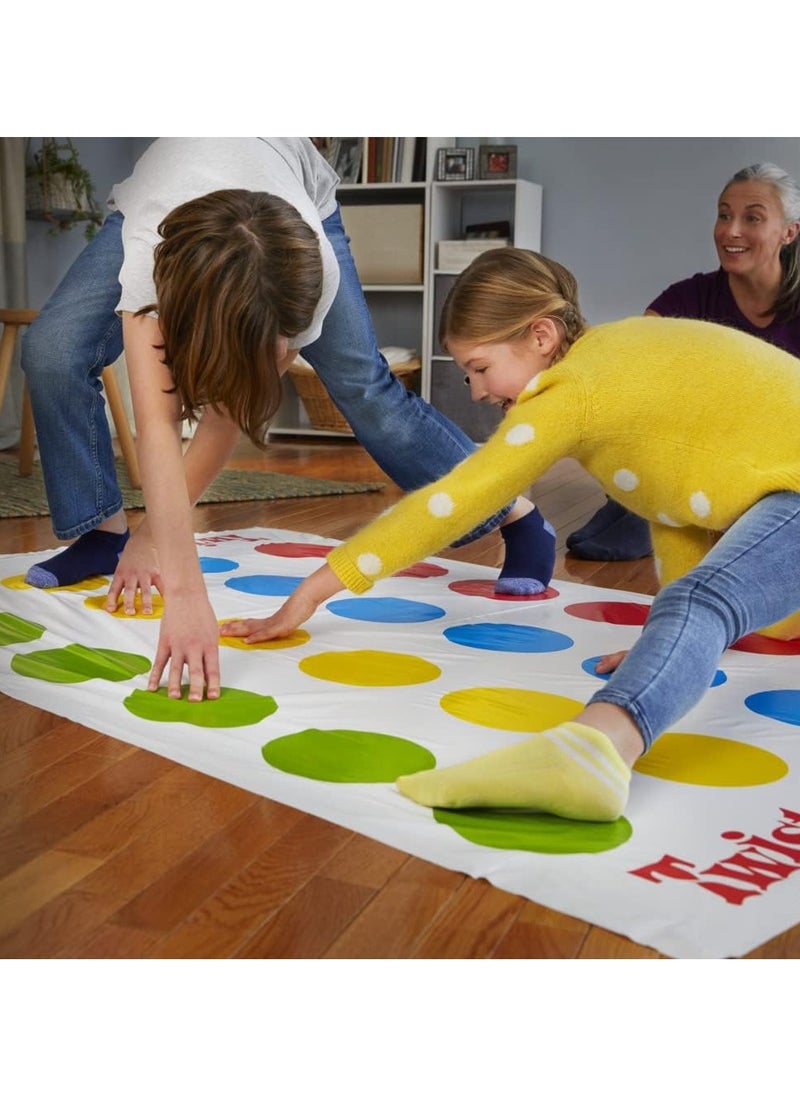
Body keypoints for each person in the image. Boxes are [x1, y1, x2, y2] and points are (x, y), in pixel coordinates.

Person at [223, 247, 800, 823]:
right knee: (705, 605)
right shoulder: (612, 363)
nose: (476, 390)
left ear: (542, 336)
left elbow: (454, 503)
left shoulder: (573, 392)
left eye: (479, 367)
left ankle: (591, 752)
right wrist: (668, 644)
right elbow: (678, 511)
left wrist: (312, 591)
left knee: (701, 602)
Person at [20, 138, 555, 701]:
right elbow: (159, 425)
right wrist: (182, 594)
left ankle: (517, 513)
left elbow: (228, 414)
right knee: (53, 352)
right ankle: (103, 534)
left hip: (289, 195)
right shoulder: (151, 277)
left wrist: (157, 539)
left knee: (364, 388)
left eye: (285, 343)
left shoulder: (308, 270)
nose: (282, 360)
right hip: (159, 209)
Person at [567, 160, 800, 562]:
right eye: (724, 215)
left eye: (752, 218)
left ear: (789, 232)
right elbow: (628, 364)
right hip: (697, 454)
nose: (731, 230)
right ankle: (645, 508)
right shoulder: (687, 298)